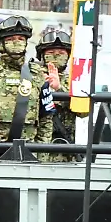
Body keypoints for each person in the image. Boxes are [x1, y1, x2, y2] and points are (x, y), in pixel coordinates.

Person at [0, 15, 54, 159]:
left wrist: (41, 158)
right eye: (11, 40)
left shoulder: (37, 75)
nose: (16, 43)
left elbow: (46, 120)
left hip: (29, 156)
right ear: (1, 45)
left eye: (21, 39)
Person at [36, 28, 85, 162]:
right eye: (51, 52)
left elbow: (83, 112)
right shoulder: (31, 77)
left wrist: (59, 89)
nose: (56, 56)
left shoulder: (75, 81)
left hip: (63, 151)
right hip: (34, 147)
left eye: (61, 53)